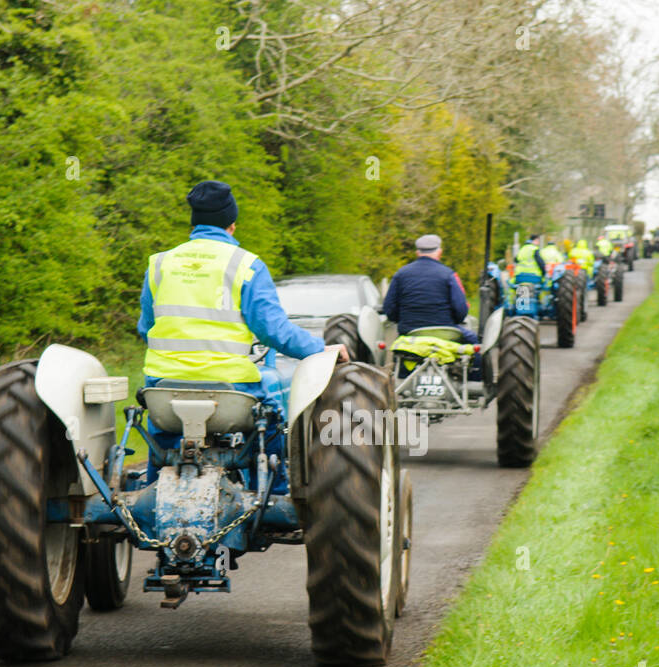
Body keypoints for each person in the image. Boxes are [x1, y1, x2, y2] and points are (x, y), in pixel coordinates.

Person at [137, 179, 347, 483]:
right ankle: (272, 493)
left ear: (193, 223)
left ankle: (155, 487)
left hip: (162, 393)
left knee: (162, 438)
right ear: (231, 225)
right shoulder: (246, 266)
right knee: (271, 415)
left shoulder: (159, 264)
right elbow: (274, 332)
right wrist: (318, 349)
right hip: (230, 393)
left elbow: (147, 329)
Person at [381, 233, 477, 345]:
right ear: (440, 252)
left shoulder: (400, 274)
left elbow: (389, 308)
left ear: (417, 253)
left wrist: (403, 321)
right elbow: (461, 309)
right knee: (474, 343)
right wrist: (454, 321)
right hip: (445, 331)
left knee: (399, 350)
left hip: (410, 332)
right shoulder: (448, 274)